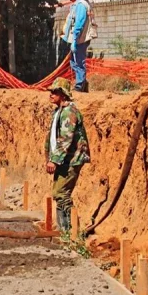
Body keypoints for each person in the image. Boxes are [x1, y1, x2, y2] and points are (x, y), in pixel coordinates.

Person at [44, 77, 90, 233]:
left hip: (71, 159)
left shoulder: (69, 112)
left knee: (61, 193)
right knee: (58, 193)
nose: (51, 94)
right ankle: (64, 230)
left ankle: (71, 230)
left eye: (54, 92)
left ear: (63, 95)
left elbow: (65, 138)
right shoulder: (60, 111)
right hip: (64, 160)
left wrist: (54, 161)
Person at [62, 0, 96, 92]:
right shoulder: (79, 4)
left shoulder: (81, 5)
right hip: (79, 39)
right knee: (74, 61)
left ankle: (80, 85)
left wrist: (75, 41)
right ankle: (81, 83)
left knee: (78, 61)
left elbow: (79, 24)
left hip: (80, 39)